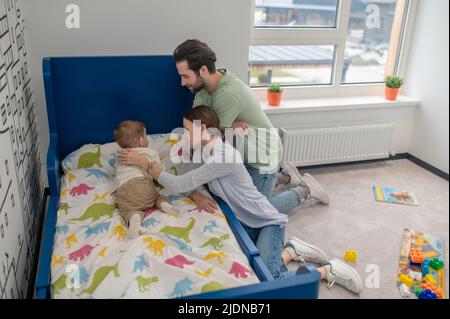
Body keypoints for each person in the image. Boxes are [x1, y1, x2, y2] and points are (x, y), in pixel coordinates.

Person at [117, 107, 363, 294]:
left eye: (187, 130)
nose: (183, 134)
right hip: (245, 220)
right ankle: (292, 251)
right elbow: (185, 177)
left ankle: (327, 270)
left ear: (203, 130)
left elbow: (181, 183)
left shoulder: (223, 156)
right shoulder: (203, 150)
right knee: (258, 269)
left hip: (266, 221)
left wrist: (146, 165)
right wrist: (195, 193)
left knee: (271, 283)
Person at [172, 39, 330, 217]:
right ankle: (285, 177)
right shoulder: (202, 92)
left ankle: (304, 189)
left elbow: (209, 139)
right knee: (235, 192)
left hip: (262, 157)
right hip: (244, 151)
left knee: (253, 213)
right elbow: (197, 133)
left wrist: (220, 129)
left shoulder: (227, 95)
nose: (182, 83)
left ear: (203, 70)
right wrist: (226, 126)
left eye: (185, 76)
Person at [112, 120, 179, 238]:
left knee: (128, 209)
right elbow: (158, 172)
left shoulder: (120, 155)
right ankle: (164, 205)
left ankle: (134, 219)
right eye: (146, 136)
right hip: (142, 184)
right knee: (156, 197)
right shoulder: (149, 152)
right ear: (142, 140)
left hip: (123, 189)